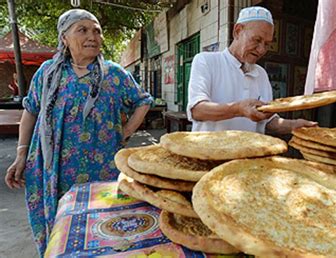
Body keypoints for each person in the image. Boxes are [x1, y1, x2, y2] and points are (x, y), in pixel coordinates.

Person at [4, 9, 152, 255]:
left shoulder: (113, 74)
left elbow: (143, 101)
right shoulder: (48, 72)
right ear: (64, 38)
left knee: (102, 228)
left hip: (101, 166)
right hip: (54, 169)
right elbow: (30, 111)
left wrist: (124, 134)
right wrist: (21, 154)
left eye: (96, 30)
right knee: (62, 230)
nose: (92, 36)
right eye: (82, 30)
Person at [187, 6, 317, 134]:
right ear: (237, 31)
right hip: (210, 153)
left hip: (249, 153)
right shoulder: (206, 61)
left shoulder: (261, 74)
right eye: (257, 40)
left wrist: (295, 125)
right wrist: (238, 109)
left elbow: (266, 122)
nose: (261, 50)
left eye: (267, 44)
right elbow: (197, 110)